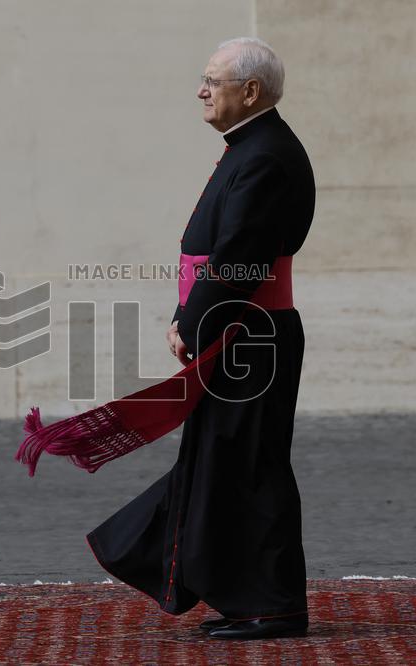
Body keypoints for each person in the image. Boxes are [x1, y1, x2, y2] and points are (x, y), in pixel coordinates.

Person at [85, 37, 316, 640]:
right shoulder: (252, 148)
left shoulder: (264, 156)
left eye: (213, 80)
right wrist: (189, 312)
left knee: (249, 464)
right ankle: (240, 594)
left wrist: (191, 323)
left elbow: (240, 254)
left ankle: (272, 604)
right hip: (239, 328)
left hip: (248, 335)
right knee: (225, 460)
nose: (201, 89)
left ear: (251, 92)